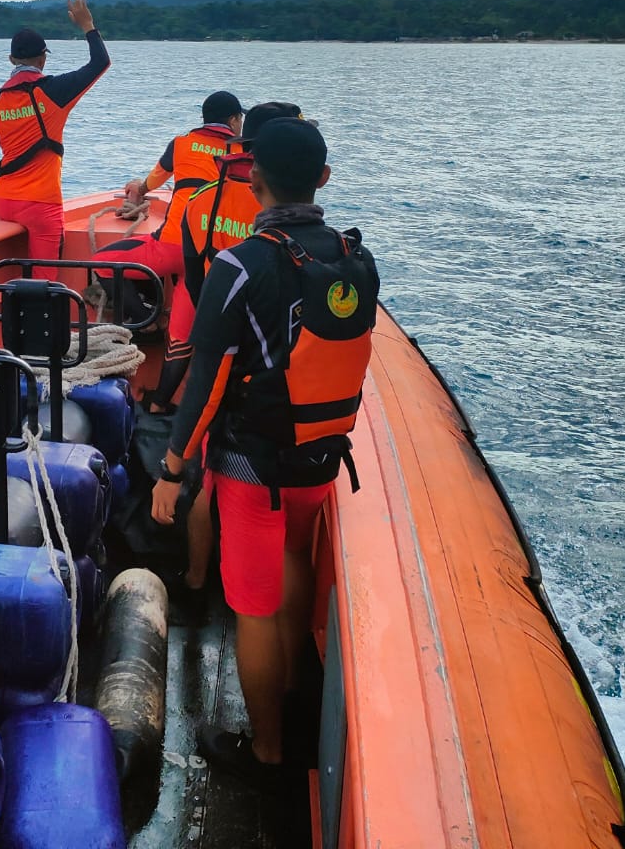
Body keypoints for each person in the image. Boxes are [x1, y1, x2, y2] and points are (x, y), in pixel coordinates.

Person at [149, 119, 379, 783]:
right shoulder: (354, 257)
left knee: (251, 605)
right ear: (324, 180)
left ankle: (270, 749)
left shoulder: (241, 263)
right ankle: (295, 694)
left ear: (254, 180)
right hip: (322, 454)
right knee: (290, 563)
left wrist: (172, 469)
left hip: (253, 464)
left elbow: (206, 380)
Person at [159, 100, 304, 622]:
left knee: (204, 473)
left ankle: (197, 579)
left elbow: (197, 287)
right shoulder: (312, 238)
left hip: (219, 350)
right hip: (280, 384)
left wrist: (170, 465)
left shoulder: (202, 202)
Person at [0, 0, 109, 278]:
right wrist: (88, 25)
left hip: (2, 203)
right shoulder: (56, 90)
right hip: (42, 207)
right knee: (45, 283)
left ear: (11, 60)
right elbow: (100, 62)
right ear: (43, 58)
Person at [92, 90, 244, 345]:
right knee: (182, 337)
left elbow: (153, 181)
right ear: (232, 121)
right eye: (240, 119)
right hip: (215, 258)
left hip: (172, 249)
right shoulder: (241, 150)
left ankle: (148, 321)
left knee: (102, 262)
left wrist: (137, 190)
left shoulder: (180, 143)